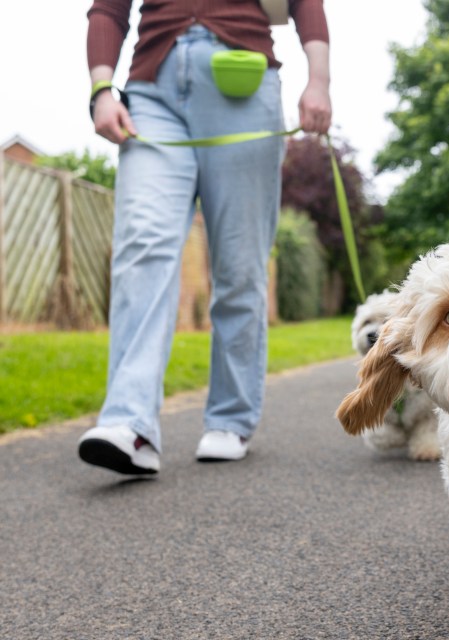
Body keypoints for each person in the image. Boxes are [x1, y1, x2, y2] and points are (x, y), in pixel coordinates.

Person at [78, 0, 331, 475]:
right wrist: (101, 88)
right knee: (143, 248)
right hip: (151, 91)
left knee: (239, 264)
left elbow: (306, 3)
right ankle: (129, 425)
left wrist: (319, 81)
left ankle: (230, 418)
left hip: (244, 82)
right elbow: (108, 8)